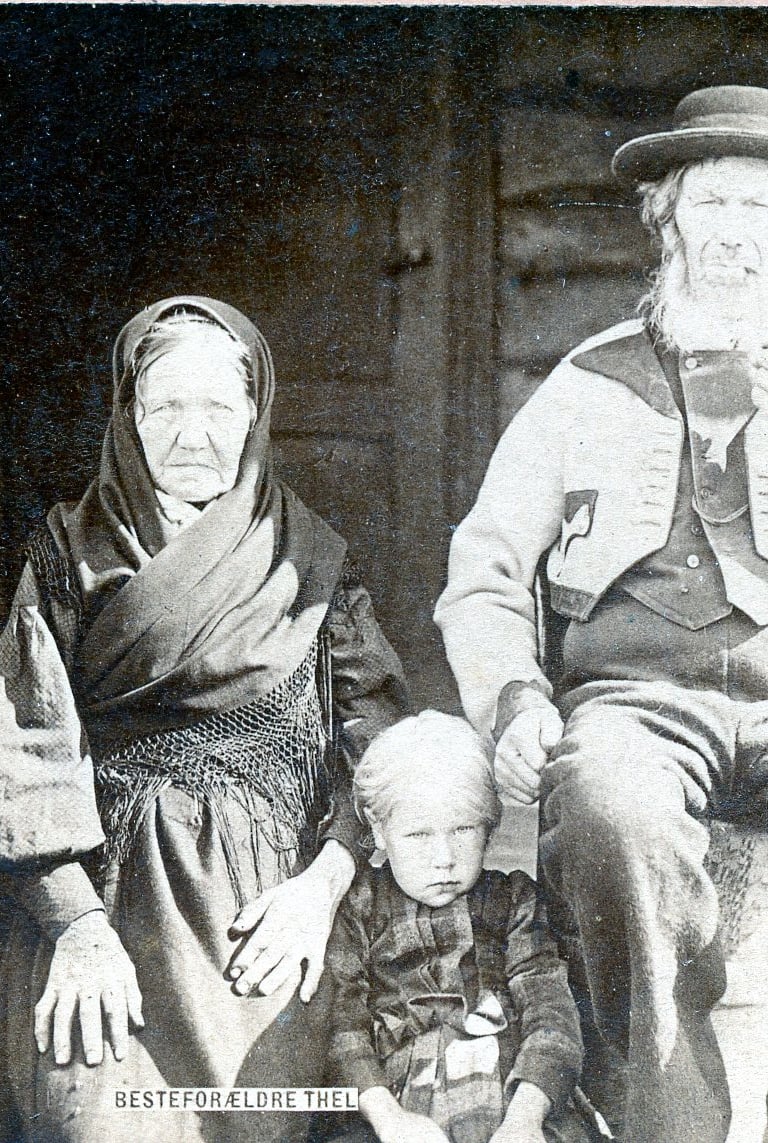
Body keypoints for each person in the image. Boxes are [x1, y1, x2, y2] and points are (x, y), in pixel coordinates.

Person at [434, 85, 768, 1143]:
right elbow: (486, 567)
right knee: (607, 803)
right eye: (712, 203)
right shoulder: (588, 382)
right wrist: (513, 698)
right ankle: (670, 1126)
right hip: (640, 708)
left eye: (761, 207)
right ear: (667, 221)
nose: (737, 234)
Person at [0, 296, 409, 1143]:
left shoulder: (310, 560)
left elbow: (379, 740)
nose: (193, 435)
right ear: (129, 416)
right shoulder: (67, 554)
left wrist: (322, 888)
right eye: (166, 409)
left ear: (255, 414)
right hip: (107, 907)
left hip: (271, 913)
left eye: (219, 408)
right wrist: (75, 926)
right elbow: (22, 748)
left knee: (272, 1121)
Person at [324, 711, 587, 1143]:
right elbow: (342, 1028)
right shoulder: (358, 908)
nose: (443, 858)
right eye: (419, 835)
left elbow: (551, 1014)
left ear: (490, 826)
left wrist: (524, 1120)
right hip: (388, 1108)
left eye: (463, 829)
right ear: (378, 827)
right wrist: (389, 1120)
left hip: (512, 1098)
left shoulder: (514, 900)